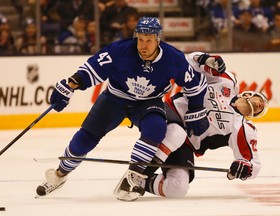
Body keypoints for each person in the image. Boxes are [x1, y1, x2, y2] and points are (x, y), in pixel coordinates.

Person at [35, 17, 217, 197]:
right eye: (140, 40)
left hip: (149, 101)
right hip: (115, 99)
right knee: (85, 138)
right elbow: (92, 68)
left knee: (156, 129)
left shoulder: (173, 58)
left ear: (158, 40)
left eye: (149, 41)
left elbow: (195, 84)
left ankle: (133, 178)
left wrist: (196, 109)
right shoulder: (119, 51)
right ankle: (59, 175)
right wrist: (71, 85)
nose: (143, 45)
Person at [114, 51, 269, 201]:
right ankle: (135, 175)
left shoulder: (242, 128)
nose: (261, 105)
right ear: (247, 94)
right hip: (167, 114)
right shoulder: (227, 81)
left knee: (177, 188)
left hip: (186, 144)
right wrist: (205, 59)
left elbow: (253, 163)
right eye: (260, 99)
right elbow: (189, 62)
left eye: (262, 108)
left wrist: (245, 168)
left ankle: (140, 182)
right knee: (177, 133)